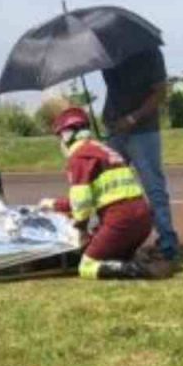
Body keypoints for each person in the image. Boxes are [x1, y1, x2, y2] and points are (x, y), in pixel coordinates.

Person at [39, 108, 170, 280]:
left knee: (86, 266)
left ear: (67, 135)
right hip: (142, 219)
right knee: (110, 256)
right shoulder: (102, 150)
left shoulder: (79, 157)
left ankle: (138, 270)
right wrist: (53, 204)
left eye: (59, 137)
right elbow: (94, 196)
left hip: (121, 220)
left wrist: (80, 228)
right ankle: (139, 259)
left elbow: (82, 205)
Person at [102, 45, 179, 262]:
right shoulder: (107, 55)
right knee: (108, 187)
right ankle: (112, 240)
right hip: (115, 128)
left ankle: (167, 242)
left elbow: (160, 91)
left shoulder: (149, 52)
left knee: (153, 186)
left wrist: (133, 118)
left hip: (143, 130)